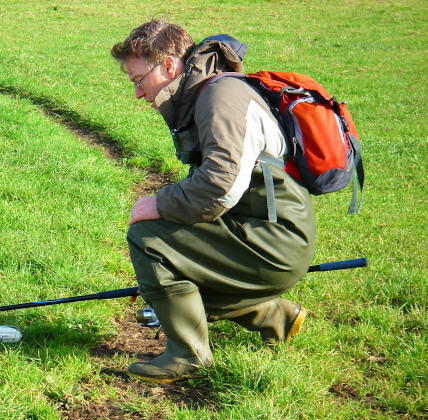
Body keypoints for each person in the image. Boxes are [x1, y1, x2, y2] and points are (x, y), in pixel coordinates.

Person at [110, 19, 316, 383]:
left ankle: (187, 356)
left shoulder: (220, 99)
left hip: (272, 238)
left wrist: (155, 205)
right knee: (172, 290)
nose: (139, 94)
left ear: (169, 65)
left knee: (149, 237)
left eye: (139, 80)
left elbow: (219, 187)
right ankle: (273, 315)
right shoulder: (205, 94)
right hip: (264, 228)